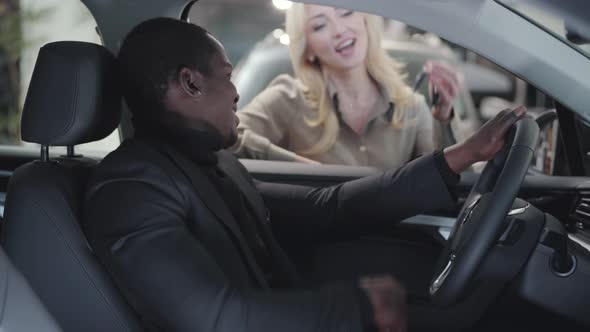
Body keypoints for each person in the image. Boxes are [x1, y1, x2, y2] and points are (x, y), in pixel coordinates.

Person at [82, 17, 525, 332]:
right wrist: (359, 309)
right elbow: (216, 319)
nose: (237, 93)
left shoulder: (211, 165)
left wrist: (461, 156)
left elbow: (328, 207)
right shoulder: (131, 190)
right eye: (228, 77)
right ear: (191, 84)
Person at [231, 4, 461, 169]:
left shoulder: (412, 108)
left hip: (395, 237)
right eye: (320, 26)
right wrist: (302, 169)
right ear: (308, 49)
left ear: (365, 21)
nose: (339, 30)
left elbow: (450, 184)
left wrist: (442, 119)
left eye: (346, 12)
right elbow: (228, 135)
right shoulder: (286, 100)